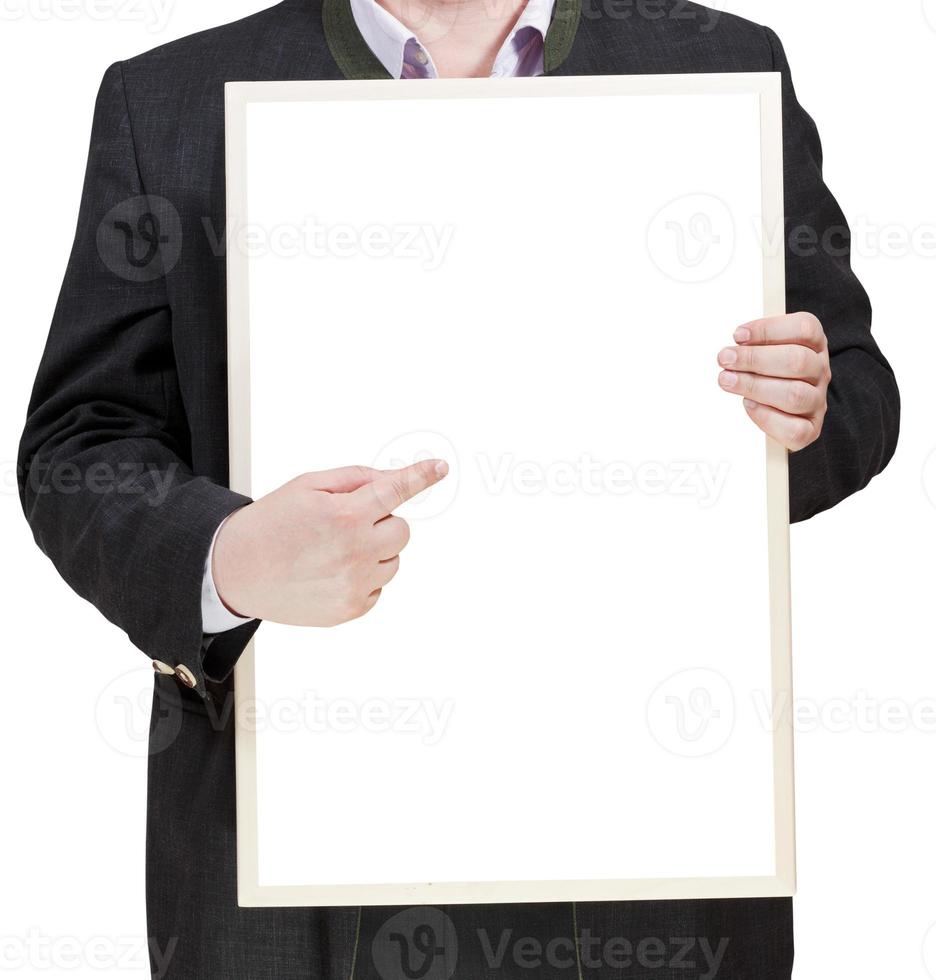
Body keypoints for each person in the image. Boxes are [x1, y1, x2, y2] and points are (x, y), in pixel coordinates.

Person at [18, 0, 899, 976]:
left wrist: (804, 409)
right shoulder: (169, 99)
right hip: (296, 888)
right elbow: (81, 442)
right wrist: (228, 558)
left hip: (653, 869)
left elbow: (857, 389)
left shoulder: (725, 72)